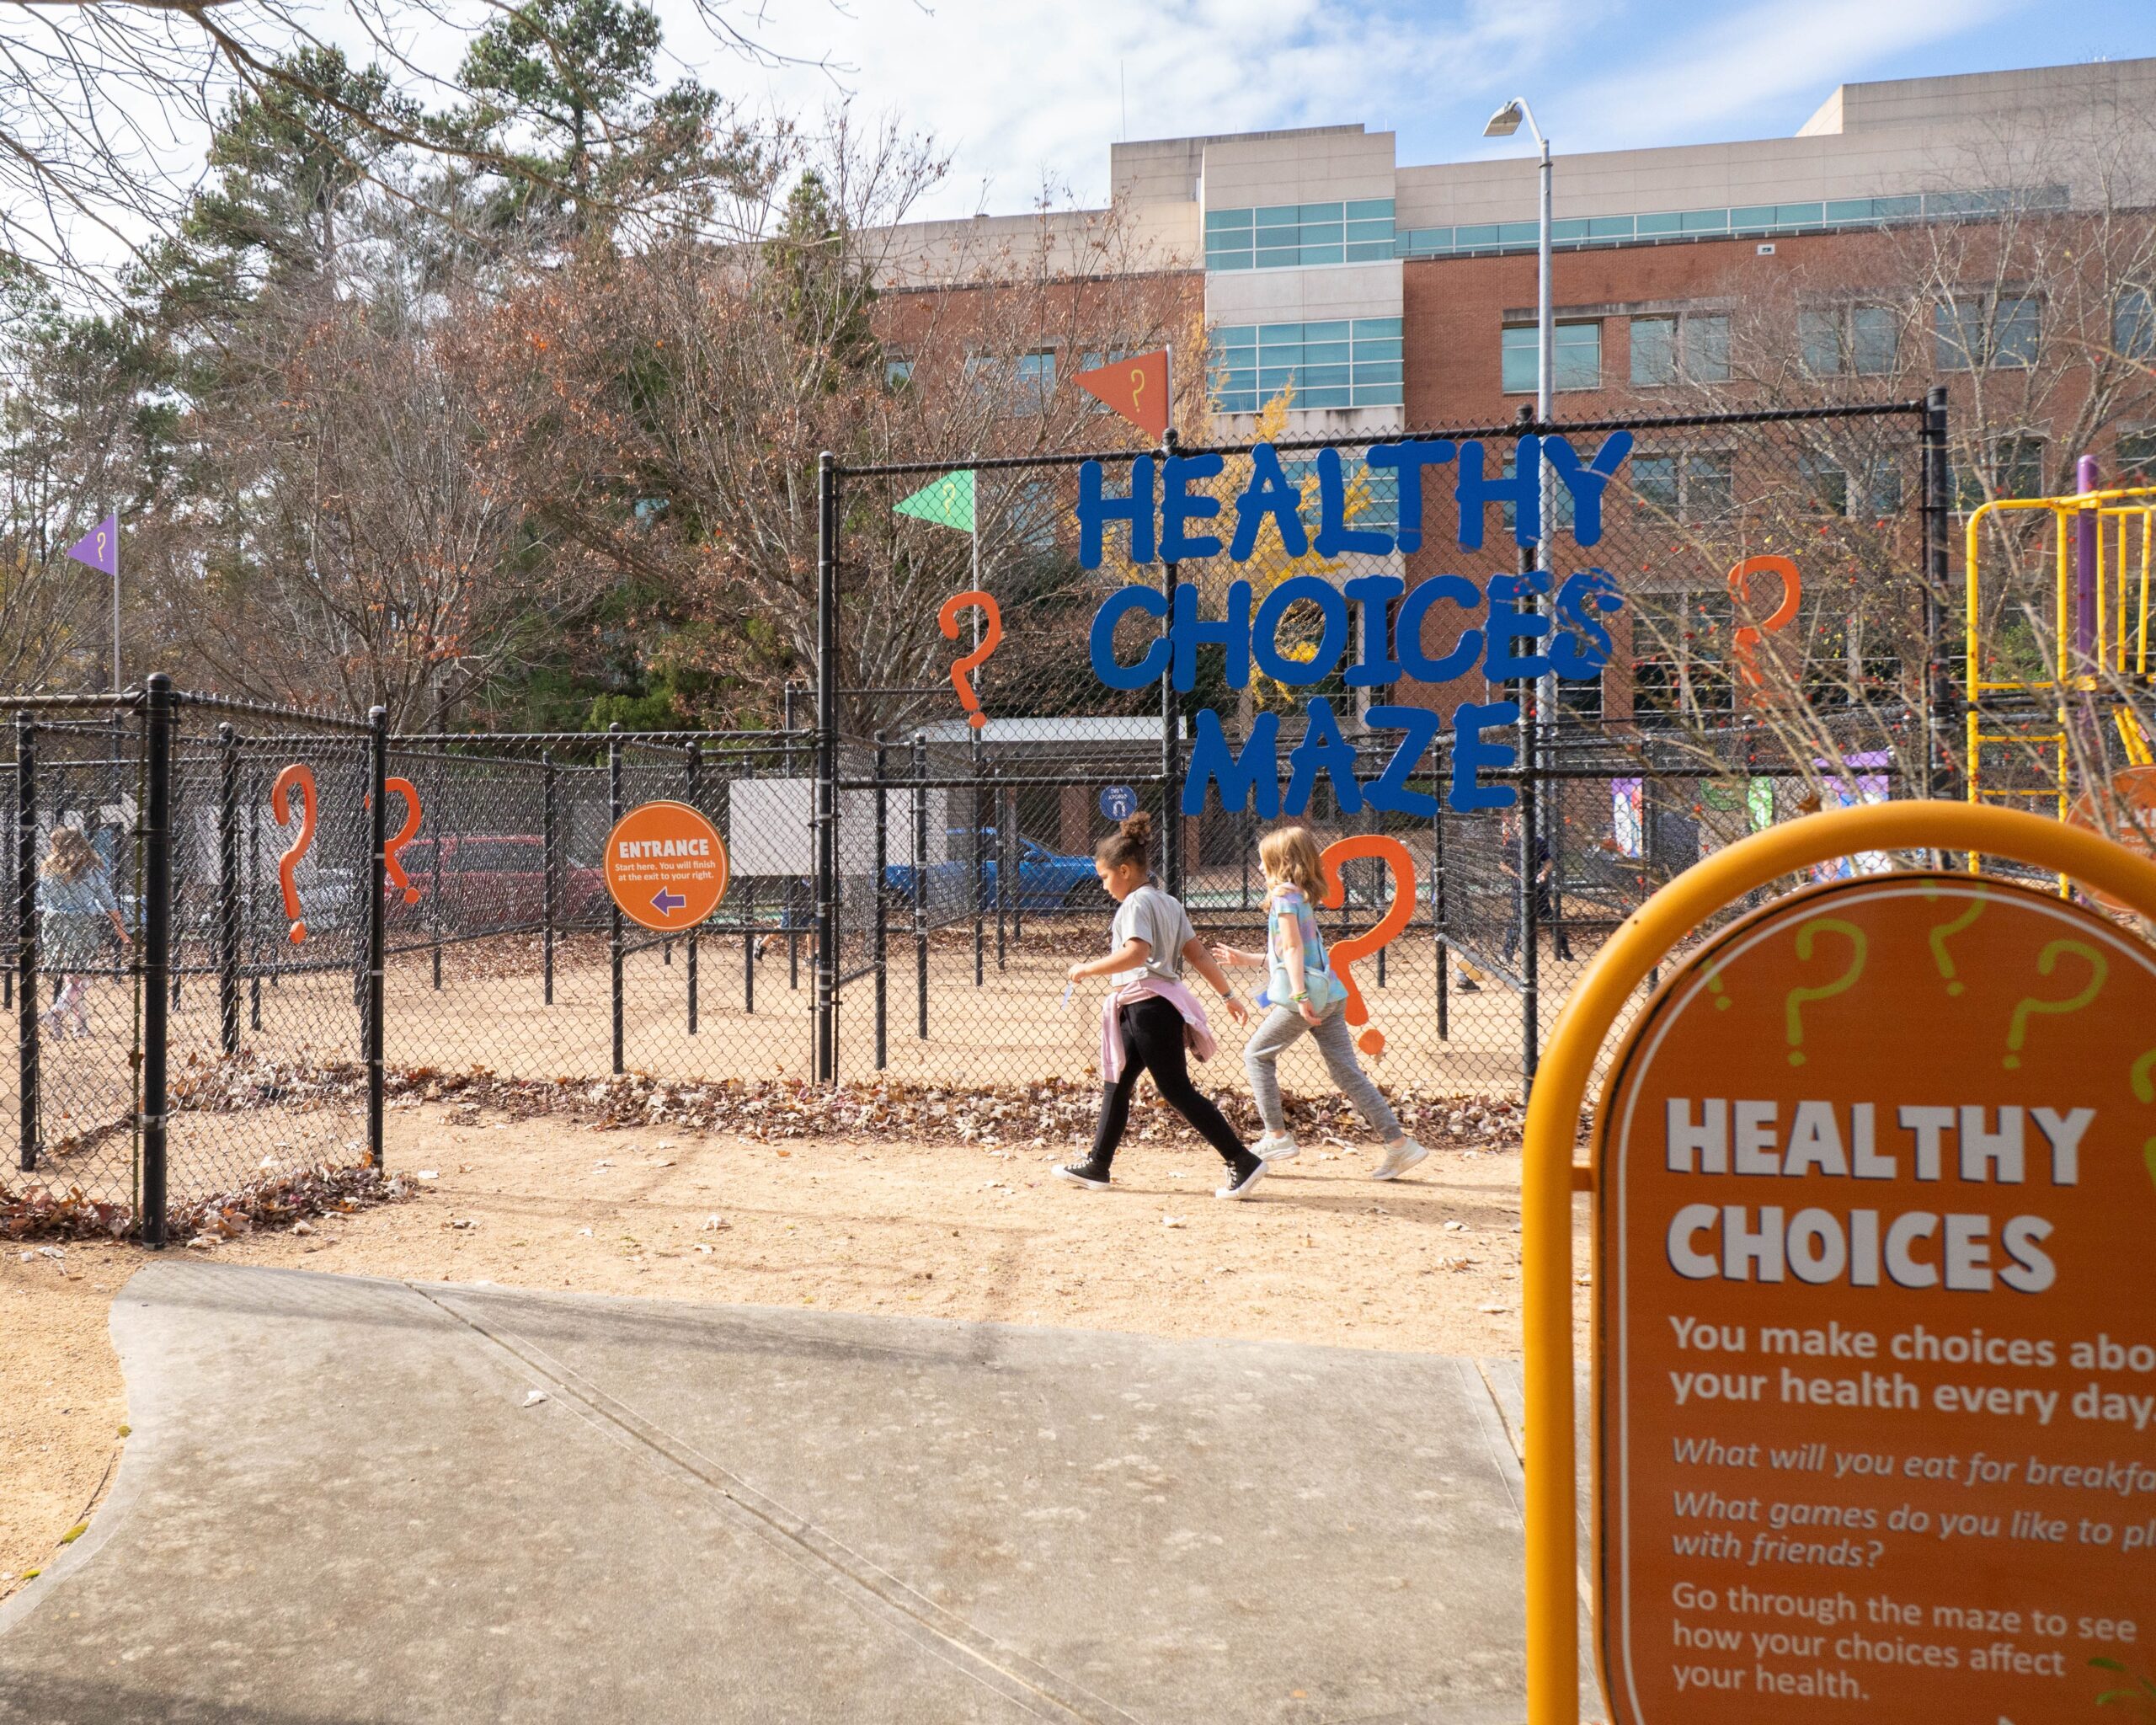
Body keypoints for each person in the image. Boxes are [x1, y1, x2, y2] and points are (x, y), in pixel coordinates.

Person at [1054, 812, 1265, 1199]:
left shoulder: (1136, 903)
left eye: (1104, 878)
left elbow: (1137, 954)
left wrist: (1086, 968)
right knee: (1116, 1083)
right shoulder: (1168, 903)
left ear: (1124, 869)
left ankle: (1242, 1160)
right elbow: (1198, 955)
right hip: (1148, 1007)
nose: (1103, 887)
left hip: (1149, 1006)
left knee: (1177, 1090)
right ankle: (1098, 1165)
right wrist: (1228, 995)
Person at [1210, 825, 1428, 1182]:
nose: (1260, 868)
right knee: (1346, 1072)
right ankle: (1400, 1144)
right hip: (1330, 994)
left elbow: (1294, 950)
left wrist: (1298, 997)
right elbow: (1293, 954)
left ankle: (1276, 1136)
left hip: (1309, 997)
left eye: (1264, 862)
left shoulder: (1283, 897)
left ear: (1279, 863)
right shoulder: (1301, 897)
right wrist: (1246, 959)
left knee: (1257, 1055)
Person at [39, 824, 128, 1039]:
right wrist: (121, 929)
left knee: (74, 977)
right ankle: (56, 1012)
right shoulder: (90, 869)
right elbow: (107, 900)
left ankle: (80, 1028)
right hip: (81, 923)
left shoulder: (47, 869)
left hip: (53, 924)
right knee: (82, 977)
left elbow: (42, 899)